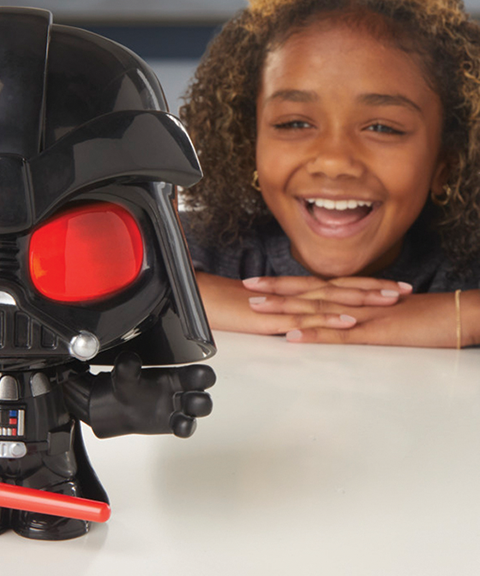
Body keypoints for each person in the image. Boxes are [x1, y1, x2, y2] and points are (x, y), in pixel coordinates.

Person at [178, 0, 480, 348]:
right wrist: (185, 297)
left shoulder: (465, 271)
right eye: (294, 123)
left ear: (445, 164)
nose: (334, 162)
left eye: (382, 128)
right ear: (249, 146)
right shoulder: (199, 247)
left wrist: (466, 317)